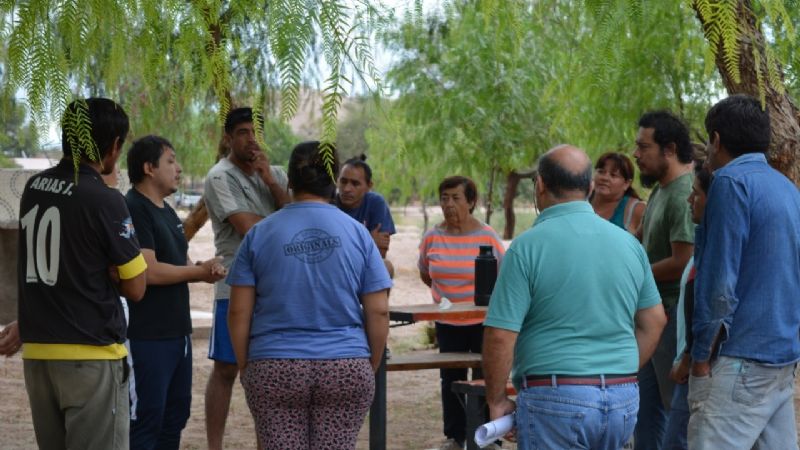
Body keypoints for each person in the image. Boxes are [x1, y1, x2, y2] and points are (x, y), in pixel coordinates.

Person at [483, 144, 667, 450]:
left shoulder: (527, 247)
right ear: (590, 186)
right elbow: (655, 321)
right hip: (621, 399)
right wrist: (618, 369)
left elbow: (501, 335)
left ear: (539, 184)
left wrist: (497, 399)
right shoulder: (628, 244)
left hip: (554, 398)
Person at [227, 141, 391, 449]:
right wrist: (368, 364)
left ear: (289, 180)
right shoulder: (358, 234)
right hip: (345, 364)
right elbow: (379, 310)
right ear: (332, 183)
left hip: (273, 364)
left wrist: (247, 367)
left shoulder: (259, 234)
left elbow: (238, 313)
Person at [17, 98, 147, 450]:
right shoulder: (104, 199)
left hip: (39, 355)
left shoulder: (33, 189)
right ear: (115, 146)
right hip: (91, 354)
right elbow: (136, 287)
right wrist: (108, 270)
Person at [688, 94, 800, 449]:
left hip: (739, 360)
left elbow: (720, 279)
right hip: (782, 356)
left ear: (716, 140)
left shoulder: (729, 182)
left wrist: (701, 357)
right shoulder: (786, 187)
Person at [124, 135, 226, 450]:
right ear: (148, 168)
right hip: (147, 335)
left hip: (178, 333)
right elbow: (149, 270)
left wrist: (203, 268)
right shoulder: (133, 207)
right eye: (170, 161)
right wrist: (197, 272)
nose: (179, 168)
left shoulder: (167, 211)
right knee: (146, 420)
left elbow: (178, 260)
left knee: (175, 417)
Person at [202, 107, 290, 450]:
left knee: (266, 371)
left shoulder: (274, 173)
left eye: (255, 132)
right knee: (225, 369)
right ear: (228, 138)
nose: (250, 139)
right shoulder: (219, 177)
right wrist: (283, 219)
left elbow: (297, 213)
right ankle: (214, 446)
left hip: (274, 287)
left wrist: (270, 182)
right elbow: (248, 229)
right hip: (234, 286)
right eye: (242, 132)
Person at [418, 175, 505, 450]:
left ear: (471, 201)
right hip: (447, 321)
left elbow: (502, 274)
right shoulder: (432, 236)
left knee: (485, 377)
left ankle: (487, 436)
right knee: (451, 379)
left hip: (483, 321)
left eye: (456, 198)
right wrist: (446, 298)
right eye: (444, 198)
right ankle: (455, 437)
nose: (449, 204)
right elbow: (426, 273)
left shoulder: (487, 236)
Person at [632, 110, 695, 450]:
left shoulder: (684, 191)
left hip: (671, 318)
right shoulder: (660, 191)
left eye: (643, 147)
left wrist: (635, 276)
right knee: (644, 412)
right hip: (650, 316)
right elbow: (637, 241)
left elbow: (683, 261)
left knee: (674, 411)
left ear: (669, 149)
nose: (636, 154)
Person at [662, 159, 711, 450]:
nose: (689, 200)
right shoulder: (704, 243)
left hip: (697, 368)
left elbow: (709, 304)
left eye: (696, 193)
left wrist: (691, 357)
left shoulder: (713, 250)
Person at [336, 154, 396, 276]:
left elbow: (380, 254)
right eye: (343, 182)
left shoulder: (376, 203)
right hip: (335, 271)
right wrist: (369, 240)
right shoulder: (329, 203)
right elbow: (331, 255)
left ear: (369, 186)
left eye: (355, 184)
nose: (347, 189)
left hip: (364, 271)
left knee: (386, 267)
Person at [590, 151, 646, 233]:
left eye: (613, 175)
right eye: (601, 172)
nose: (605, 178)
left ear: (626, 184)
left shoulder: (637, 210)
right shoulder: (579, 200)